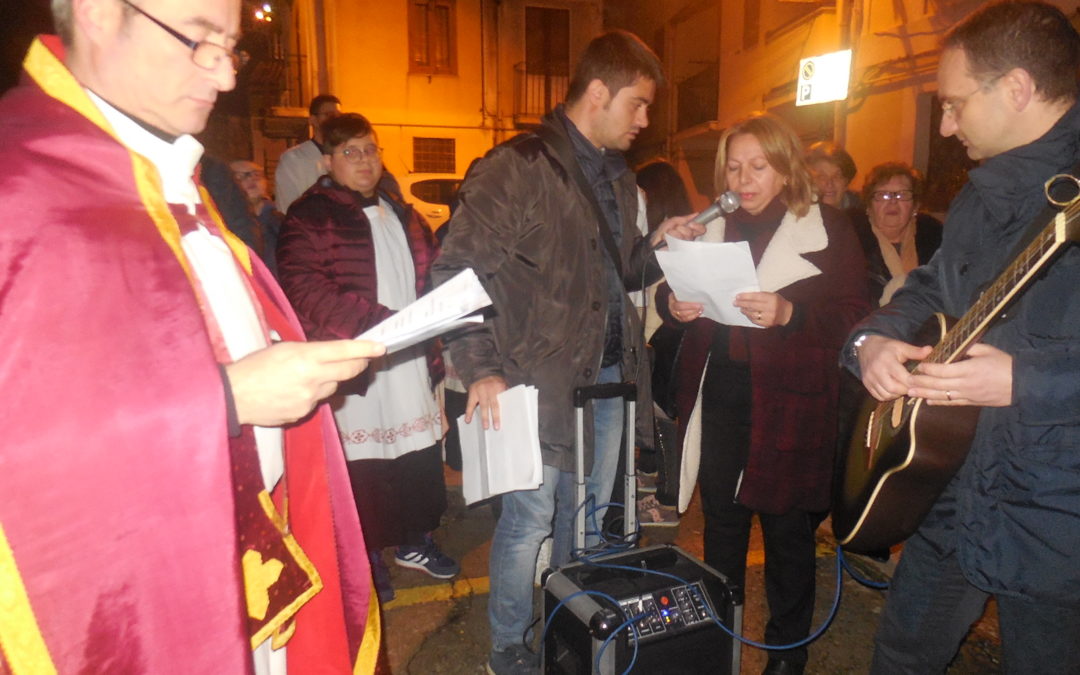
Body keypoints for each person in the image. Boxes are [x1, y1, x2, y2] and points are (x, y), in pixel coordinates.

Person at [0, 1, 385, 673]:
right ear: (95, 13)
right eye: (200, 39)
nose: (226, 77)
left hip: (254, 555)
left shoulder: (172, 173)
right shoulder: (19, 187)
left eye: (231, 48)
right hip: (155, 595)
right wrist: (228, 398)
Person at [432, 30, 703, 675]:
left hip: (607, 381)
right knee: (529, 524)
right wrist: (482, 368)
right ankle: (507, 647)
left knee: (584, 524)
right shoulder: (516, 167)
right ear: (599, 92)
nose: (644, 120)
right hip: (536, 382)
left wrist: (657, 245)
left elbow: (620, 274)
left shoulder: (617, 179)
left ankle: (567, 635)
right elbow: (455, 272)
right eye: (637, 104)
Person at [843, 2, 1080, 672]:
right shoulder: (983, 195)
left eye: (953, 105)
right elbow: (927, 290)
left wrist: (1021, 380)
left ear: (1016, 89)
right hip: (953, 484)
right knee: (898, 655)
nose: (944, 127)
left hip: (1059, 518)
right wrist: (874, 342)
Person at [658, 112, 869, 675]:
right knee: (722, 529)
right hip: (721, 398)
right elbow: (667, 297)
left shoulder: (826, 228)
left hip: (791, 406)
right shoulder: (711, 227)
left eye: (758, 166)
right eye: (733, 167)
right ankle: (719, 643)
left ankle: (786, 653)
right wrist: (672, 307)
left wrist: (790, 312)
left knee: (787, 535)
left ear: (784, 169)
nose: (743, 179)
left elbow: (857, 318)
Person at [277, 113, 458, 603]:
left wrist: (441, 317)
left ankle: (413, 539)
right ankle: (367, 552)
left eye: (371, 150)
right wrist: (378, 324)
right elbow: (303, 286)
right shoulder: (309, 215)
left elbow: (432, 276)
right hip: (356, 363)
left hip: (408, 360)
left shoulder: (403, 213)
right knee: (364, 463)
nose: (364, 161)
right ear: (327, 161)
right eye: (351, 152)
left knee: (416, 455)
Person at [633, 158, 695, 527]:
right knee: (662, 415)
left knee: (664, 418)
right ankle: (656, 479)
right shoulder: (688, 230)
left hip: (661, 334)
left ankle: (668, 502)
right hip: (672, 333)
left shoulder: (661, 238)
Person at [849, 162, 942, 305]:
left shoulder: (937, 241)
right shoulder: (851, 241)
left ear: (915, 206)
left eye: (902, 194)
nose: (893, 202)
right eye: (883, 195)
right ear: (868, 205)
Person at [274, 93, 341, 212]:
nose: (335, 120)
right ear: (313, 120)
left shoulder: (346, 155)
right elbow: (287, 206)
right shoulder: (293, 159)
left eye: (338, 115)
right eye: (328, 115)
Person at [232, 159, 284, 275]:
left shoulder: (282, 223)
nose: (251, 179)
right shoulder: (223, 226)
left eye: (256, 174)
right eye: (239, 176)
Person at [806, 140, 860, 209]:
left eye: (837, 176)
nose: (830, 183)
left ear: (846, 182)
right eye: (822, 176)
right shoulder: (796, 212)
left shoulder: (863, 214)